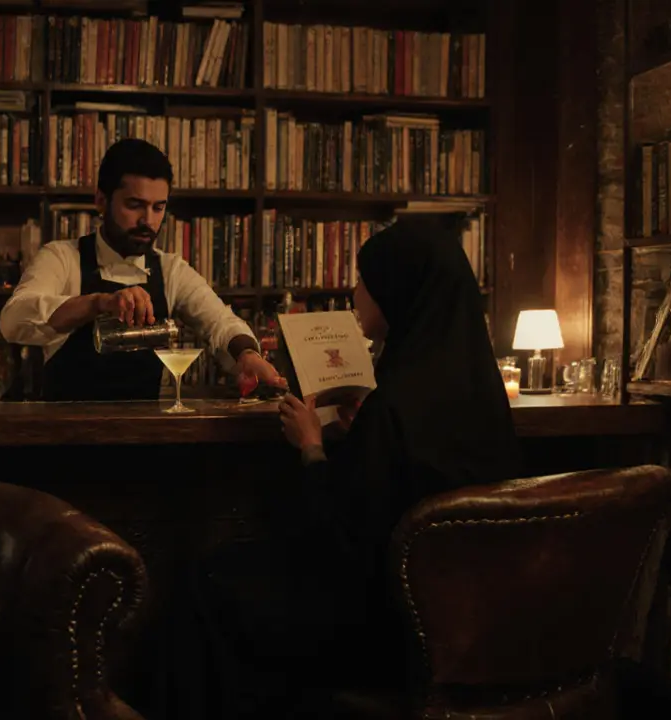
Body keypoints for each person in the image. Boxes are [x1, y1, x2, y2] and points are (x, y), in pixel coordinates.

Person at [155, 214, 522, 719]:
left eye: (365, 280)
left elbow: (338, 543)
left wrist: (311, 448)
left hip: (379, 631)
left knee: (207, 580)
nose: (354, 291)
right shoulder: (478, 390)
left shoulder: (395, 402)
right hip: (465, 624)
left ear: (398, 290)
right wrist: (359, 435)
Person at [0, 138, 285, 401]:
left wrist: (247, 354)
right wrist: (99, 302)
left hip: (144, 432)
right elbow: (13, 320)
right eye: (134, 205)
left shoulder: (171, 269)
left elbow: (221, 323)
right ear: (101, 200)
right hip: (64, 435)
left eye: (158, 208)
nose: (148, 221)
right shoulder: (62, 257)